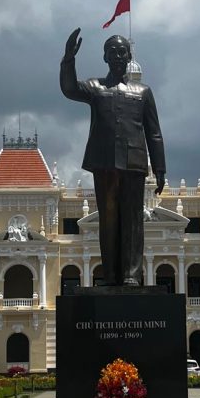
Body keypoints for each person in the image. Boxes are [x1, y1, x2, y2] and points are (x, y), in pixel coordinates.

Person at [61, 29, 166, 286]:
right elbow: (69, 89)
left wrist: (160, 168)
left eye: (122, 52)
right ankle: (109, 275)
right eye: (112, 52)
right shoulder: (95, 88)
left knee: (133, 221)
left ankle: (131, 275)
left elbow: (154, 133)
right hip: (105, 162)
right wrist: (68, 59)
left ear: (129, 56)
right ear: (105, 57)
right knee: (108, 220)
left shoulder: (143, 92)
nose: (118, 56)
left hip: (135, 163)